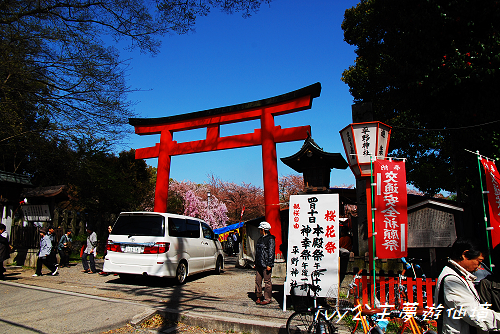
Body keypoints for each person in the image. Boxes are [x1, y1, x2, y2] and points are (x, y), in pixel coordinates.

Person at [434, 238, 500, 334]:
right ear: (464, 255)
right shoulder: (451, 280)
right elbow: (473, 313)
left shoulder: (460, 276)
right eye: (479, 261)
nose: (479, 267)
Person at [254, 221, 275, 306]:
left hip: (266, 264)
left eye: (260, 229)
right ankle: (258, 296)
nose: (259, 231)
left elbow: (271, 252)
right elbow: (257, 252)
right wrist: (255, 262)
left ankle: (267, 298)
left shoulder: (270, 239)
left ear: (263, 229)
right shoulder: (260, 239)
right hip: (259, 263)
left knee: (267, 281)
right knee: (258, 281)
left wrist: (269, 264)